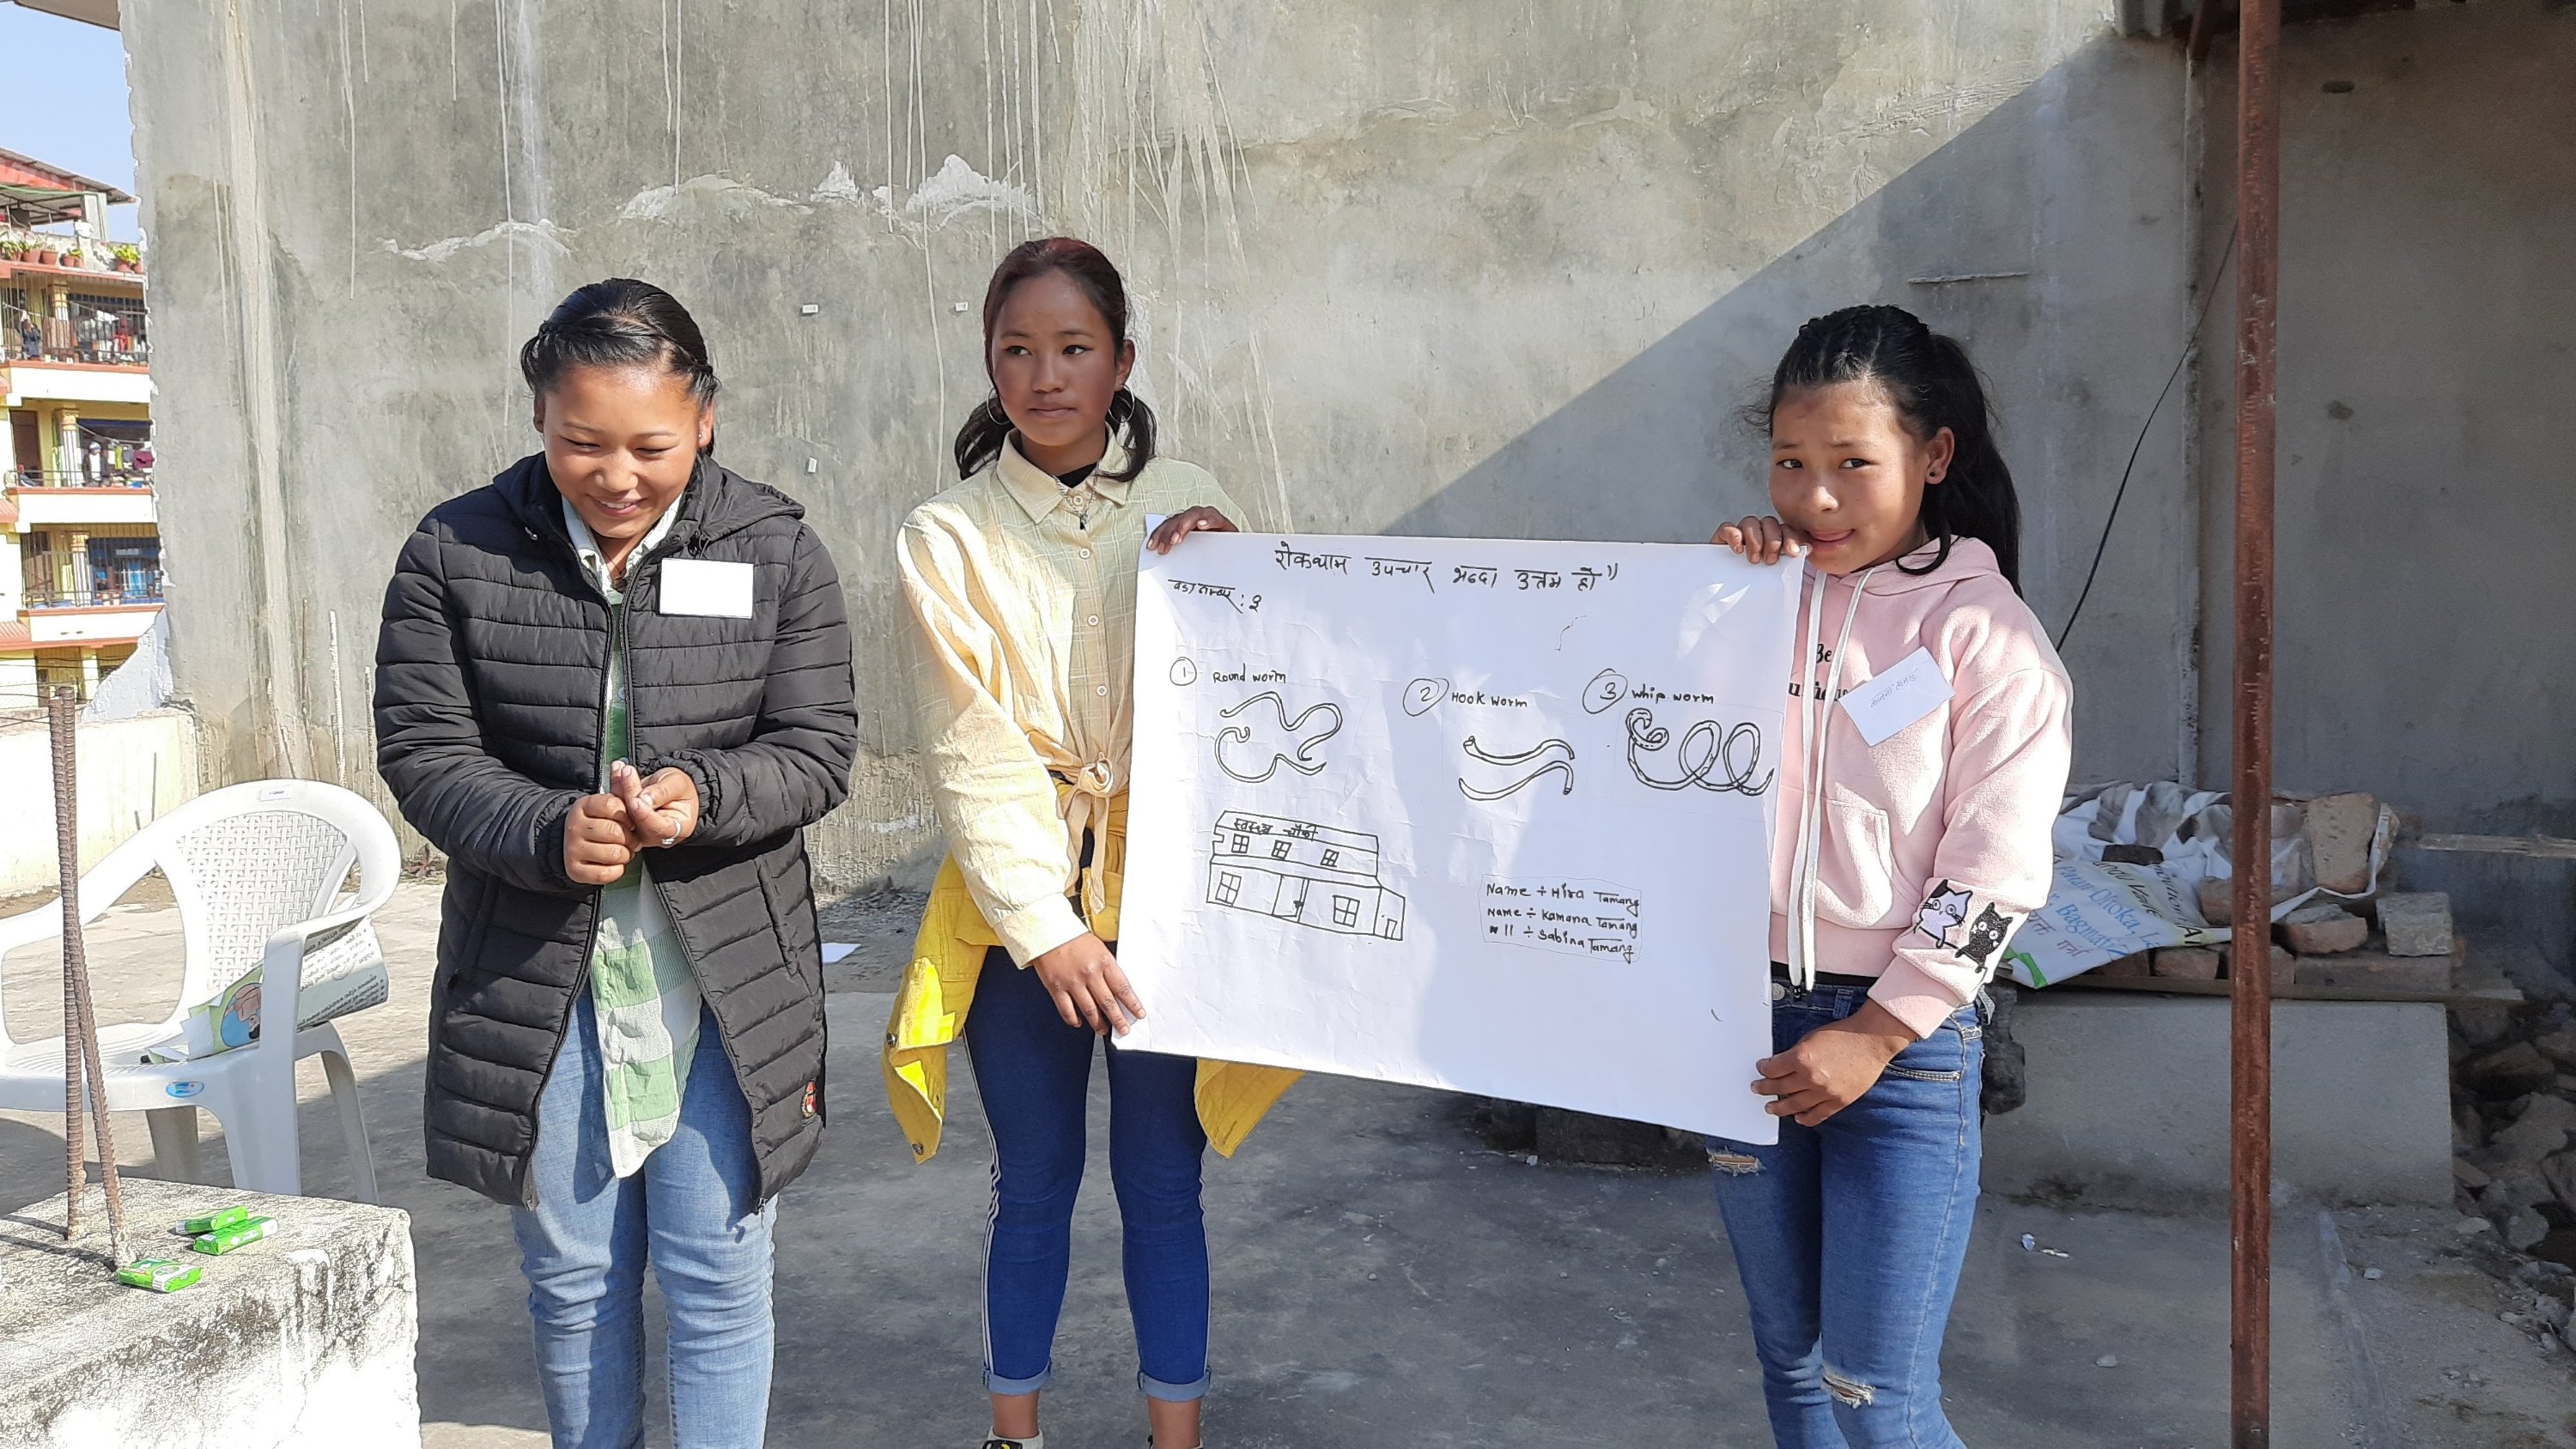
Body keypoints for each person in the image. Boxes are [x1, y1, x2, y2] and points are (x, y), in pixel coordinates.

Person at [374, 278, 856, 1449]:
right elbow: (425, 751)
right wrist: (546, 829)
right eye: (583, 443)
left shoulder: (776, 550)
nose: (618, 476)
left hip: (723, 978)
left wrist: (705, 795)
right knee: (575, 1281)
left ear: (705, 419)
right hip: (538, 976)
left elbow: (816, 749)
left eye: (651, 446)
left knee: (718, 1277)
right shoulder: (457, 549)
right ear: (539, 418)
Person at [888, 236, 1300, 1449]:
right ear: (989, 366)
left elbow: (1262, 690)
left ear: (1122, 360)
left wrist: (1243, 570)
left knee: (1165, 1186)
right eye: (1017, 350)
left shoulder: (1191, 496)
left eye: (1074, 347)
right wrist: (1046, 927)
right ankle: (1013, 1434)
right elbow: (970, 749)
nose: (1045, 374)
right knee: (1034, 1184)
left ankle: (1177, 1437)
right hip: (1021, 913)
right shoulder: (947, 535)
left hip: (1168, 904)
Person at [1705, 304, 2072, 1447]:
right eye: (1789, 463)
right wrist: (1711, 597)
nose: (1814, 499)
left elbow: (1998, 875)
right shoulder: (1750, 601)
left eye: (1853, 464)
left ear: (1935, 455)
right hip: (1740, 1032)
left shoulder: (1987, 638)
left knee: (1875, 1393)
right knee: (1792, 1362)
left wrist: (1877, 1032)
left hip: (1901, 1053)